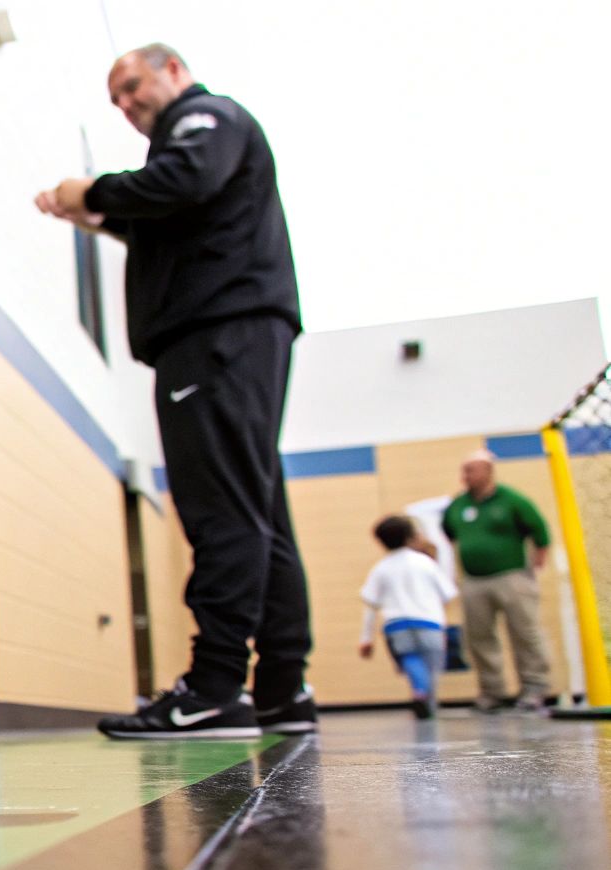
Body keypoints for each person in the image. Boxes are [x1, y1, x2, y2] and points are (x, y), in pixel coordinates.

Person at [34, 44, 312, 739]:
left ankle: (216, 686)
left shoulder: (205, 116)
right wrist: (101, 217)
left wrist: (91, 191)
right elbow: (177, 207)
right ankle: (282, 689)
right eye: (118, 102)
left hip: (215, 334)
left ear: (175, 72)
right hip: (234, 332)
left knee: (220, 508)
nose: (129, 105)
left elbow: (184, 179)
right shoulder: (193, 149)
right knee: (257, 509)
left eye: (133, 87)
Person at [440, 449, 553, 712]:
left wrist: (539, 557)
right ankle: (492, 692)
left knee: (525, 633)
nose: (465, 476)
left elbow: (539, 529)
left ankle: (535, 687)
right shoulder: (459, 504)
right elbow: (449, 531)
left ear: (488, 471)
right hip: (474, 580)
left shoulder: (512, 500)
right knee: (479, 637)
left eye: (471, 470)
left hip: (512, 576)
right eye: (464, 470)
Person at [359, 516, 458, 719]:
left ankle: (419, 691)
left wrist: (366, 638)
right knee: (432, 667)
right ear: (410, 536)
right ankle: (427, 702)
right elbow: (448, 593)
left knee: (409, 658)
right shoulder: (425, 563)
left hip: (396, 625)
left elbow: (370, 605)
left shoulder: (380, 568)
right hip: (429, 623)